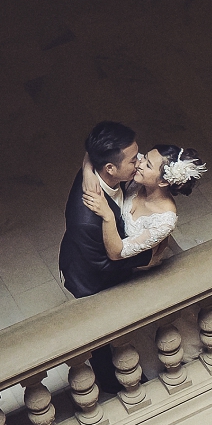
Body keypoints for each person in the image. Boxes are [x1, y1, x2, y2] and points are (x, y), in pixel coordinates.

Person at [59, 121, 157, 299]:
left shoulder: (98, 165)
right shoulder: (86, 222)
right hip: (95, 280)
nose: (140, 162)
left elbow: (91, 152)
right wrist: (148, 255)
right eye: (134, 160)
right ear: (110, 168)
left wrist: (87, 168)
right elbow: (102, 263)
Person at [81, 142, 206, 271]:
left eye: (148, 165)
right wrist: (87, 171)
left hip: (135, 265)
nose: (139, 164)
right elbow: (97, 147)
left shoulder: (164, 221)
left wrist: (108, 216)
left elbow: (116, 254)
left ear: (163, 182)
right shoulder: (140, 169)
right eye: (145, 157)